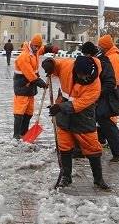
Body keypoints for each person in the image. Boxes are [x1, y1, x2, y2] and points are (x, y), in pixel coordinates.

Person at [42, 55, 110, 189]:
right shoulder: (68, 66)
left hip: (83, 116)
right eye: (79, 75)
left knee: (92, 146)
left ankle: (98, 179)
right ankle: (66, 176)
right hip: (63, 112)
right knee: (64, 145)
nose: (83, 78)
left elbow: (79, 104)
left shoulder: (95, 86)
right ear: (74, 70)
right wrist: (49, 63)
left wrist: (60, 107)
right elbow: (57, 65)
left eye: (85, 76)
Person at [81, 41, 119, 162]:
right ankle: (83, 149)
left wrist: (97, 93)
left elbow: (110, 83)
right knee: (93, 122)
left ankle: (118, 152)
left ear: (90, 53)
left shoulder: (103, 62)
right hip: (101, 98)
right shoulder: (97, 60)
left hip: (106, 99)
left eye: (86, 55)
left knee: (106, 124)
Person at [12, 34, 57, 139]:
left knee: (29, 112)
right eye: (35, 46)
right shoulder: (24, 56)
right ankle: (16, 135)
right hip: (22, 87)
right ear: (31, 44)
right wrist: (41, 83)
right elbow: (30, 74)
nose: (37, 48)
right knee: (19, 112)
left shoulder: (35, 52)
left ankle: (24, 133)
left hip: (30, 88)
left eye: (38, 46)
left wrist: (51, 48)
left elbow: (42, 49)